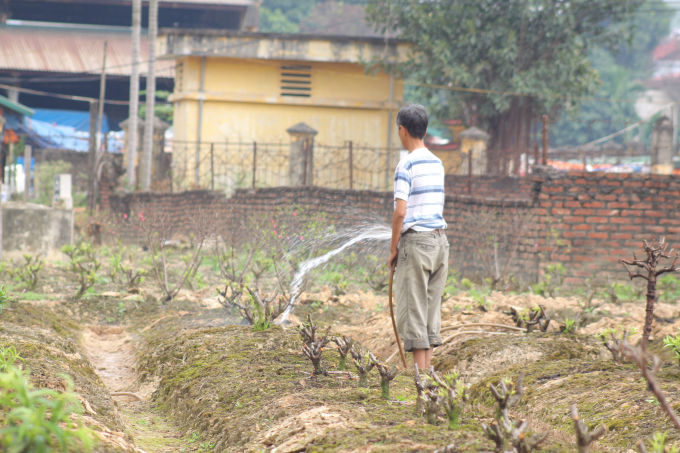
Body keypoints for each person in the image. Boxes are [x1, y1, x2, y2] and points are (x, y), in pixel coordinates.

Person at [387, 103, 448, 370]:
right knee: (430, 313)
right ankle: (427, 382)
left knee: (414, 311)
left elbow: (400, 212)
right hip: (439, 244)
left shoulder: (406, 164)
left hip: (416, 244)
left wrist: (393, 249)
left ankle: (419, 384)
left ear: (402, 130)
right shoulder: (437, 163)